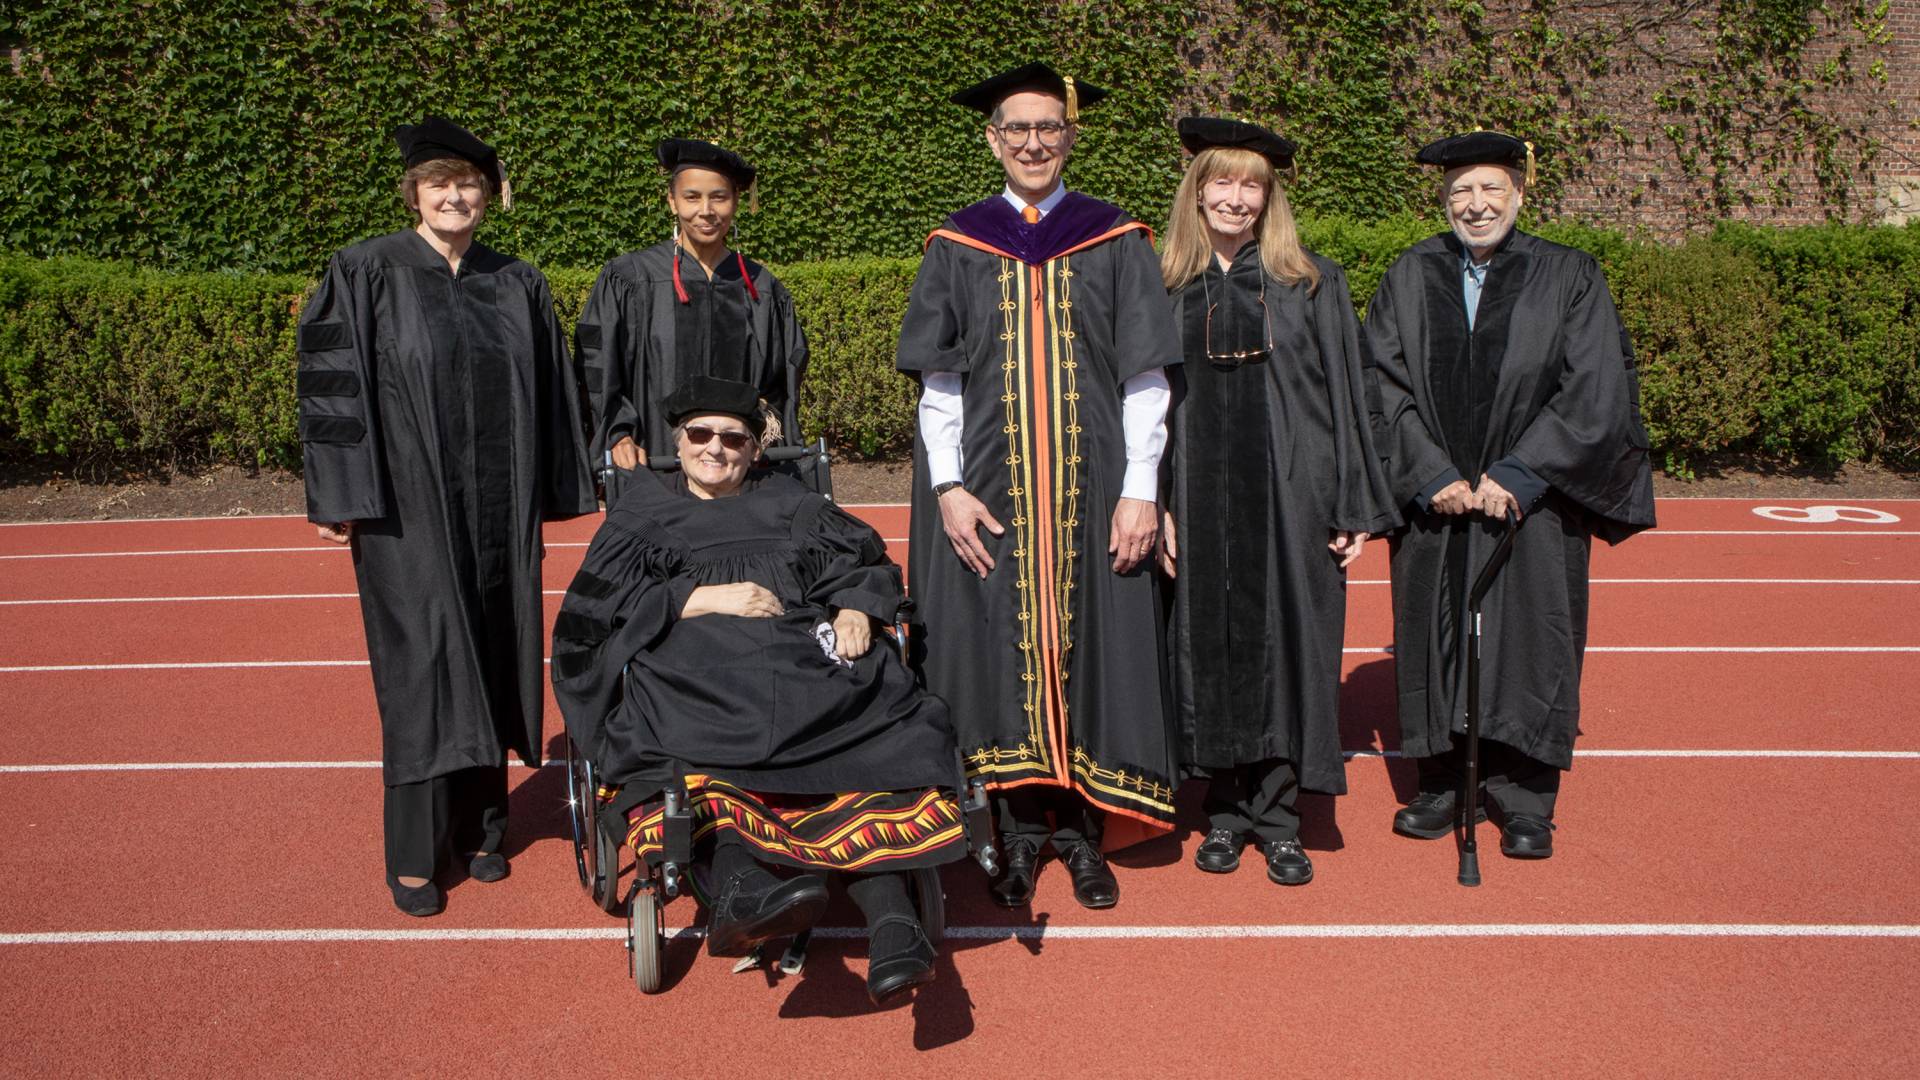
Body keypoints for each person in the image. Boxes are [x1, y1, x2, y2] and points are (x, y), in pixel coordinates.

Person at [551, 376, 963, 1006]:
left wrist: (856, 606)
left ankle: (893, 924)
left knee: (881, 700)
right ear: (678, 442)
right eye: (700, 434)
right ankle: (743, 886)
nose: (715, 448)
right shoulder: (640, 517)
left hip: (805, 671)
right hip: (697, 682)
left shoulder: (793, 504)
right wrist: (690, 598)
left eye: (733, 438)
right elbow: (588, 622)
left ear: (754, 450)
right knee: (680, 731)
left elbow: (865, 563)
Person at [896, 63, 1183, 910]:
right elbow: (939, 383)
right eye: (1016, 129)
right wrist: (947, 486)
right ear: (993, 140)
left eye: (1048, 127)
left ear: (1070, 136)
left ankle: (1084, 834)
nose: (1033, 143)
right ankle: (1017, 832)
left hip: (1096, 490)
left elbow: (1147, 378)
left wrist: (1142, 488)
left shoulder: (1115, 239)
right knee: (995, 647)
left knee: (1095, 642)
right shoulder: (958, 244)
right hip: (989, 489)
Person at [296, 115, 596, 916]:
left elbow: (551, 390)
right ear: (414, 194)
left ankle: (482, 830)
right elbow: (333, 386)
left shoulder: (517, 281)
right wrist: (340, 493)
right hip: (408, 509)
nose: (454, 196)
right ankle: (415, 852)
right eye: (438, 183)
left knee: (494, 648)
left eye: (467, 183)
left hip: (499, 505)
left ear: (488, 195)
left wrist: (556, 486)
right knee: (425, 662)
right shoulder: (364, 271)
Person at [1362, 131, 1656, 859]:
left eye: (1491, 188)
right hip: (1438, 502)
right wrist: (1428, 473)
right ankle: (1441, 780)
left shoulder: (1569, 275)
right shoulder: (1410, 274)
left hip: (1534, 502)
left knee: (1533, 635)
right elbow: (1380, 383)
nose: (1476, 203)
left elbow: (1594, 385)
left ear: (1520, 194)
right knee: (1433, 629)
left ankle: (1524, 796)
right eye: (1461, 190)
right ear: (1443, 199)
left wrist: (1521, 472)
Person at [1160, 118, 1399, 885]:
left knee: (1291, 650)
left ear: (1269, 197)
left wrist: (1353, 503)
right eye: (1221, 182)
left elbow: (1351, 396)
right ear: (1197, 191)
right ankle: (1224, 813)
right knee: (1210, 650)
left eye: (1251, 185)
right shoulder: (1164, 284)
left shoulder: (1312, 283)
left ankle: (1280, 818)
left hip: (1292, 498)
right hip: (1195, 499)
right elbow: (1138, 406)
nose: (1236, 198)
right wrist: (1151, 502)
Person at [576, 138, 807, 503]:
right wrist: (617, 435)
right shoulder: (631, 278)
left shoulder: (763, 288)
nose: (706, 210)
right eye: (692, 197)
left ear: (736, 201)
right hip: (653, 463)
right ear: (672, 201)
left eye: (719, 197)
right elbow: (601, 370)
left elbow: (780, 383)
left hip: (737, 469)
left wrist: (763, 431)